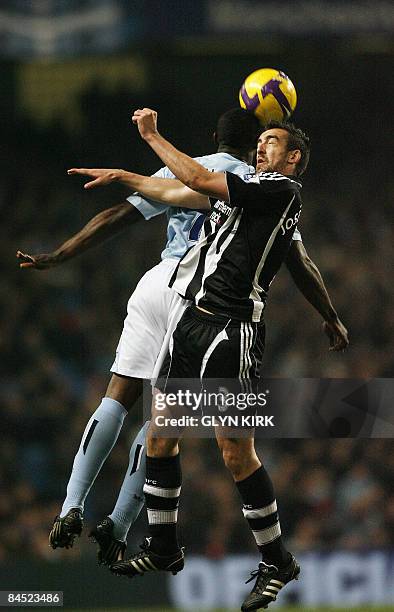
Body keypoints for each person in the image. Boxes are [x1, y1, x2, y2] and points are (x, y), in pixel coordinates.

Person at [17, 109, 348, 575]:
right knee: (169, 418)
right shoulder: (250, 181)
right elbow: (297, 259)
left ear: (214, 136)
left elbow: (129, 209)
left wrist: (62, 251)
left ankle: (72, 504)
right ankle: (121, 520)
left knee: (118, 397)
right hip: (195, 294)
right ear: (256, 144)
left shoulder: (203, 167)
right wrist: (331, 315)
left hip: (151, 283)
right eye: (264, 141)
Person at [106, 108, 334, 612]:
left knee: (234, 452)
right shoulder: (241, 187)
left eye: (272, 142)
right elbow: (176, 192)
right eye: (261, 141)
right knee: (160, 436)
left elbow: (193, 176)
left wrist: (151, 136)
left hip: (233, 329)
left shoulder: (279, 193)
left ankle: (278, 560)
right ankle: (163, 546)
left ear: (293, 159)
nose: (262, 148)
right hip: (192, 323)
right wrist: (128, 179)